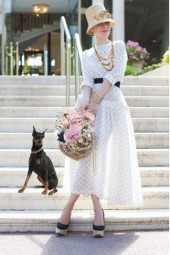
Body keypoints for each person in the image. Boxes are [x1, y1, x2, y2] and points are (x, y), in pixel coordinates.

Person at [56, 3, 143, 238]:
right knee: (86, 155)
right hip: (89, 108)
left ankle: (70, 206)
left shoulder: (119, 48)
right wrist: (84, 101)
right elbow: (86, 80)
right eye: (99, 23)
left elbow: (114, 76)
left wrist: (95, 101)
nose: (105, 26)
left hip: (111, 104)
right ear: (92, 30)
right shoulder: (86, 54)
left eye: (107, 22)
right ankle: (96, 210)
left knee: (95, 153)